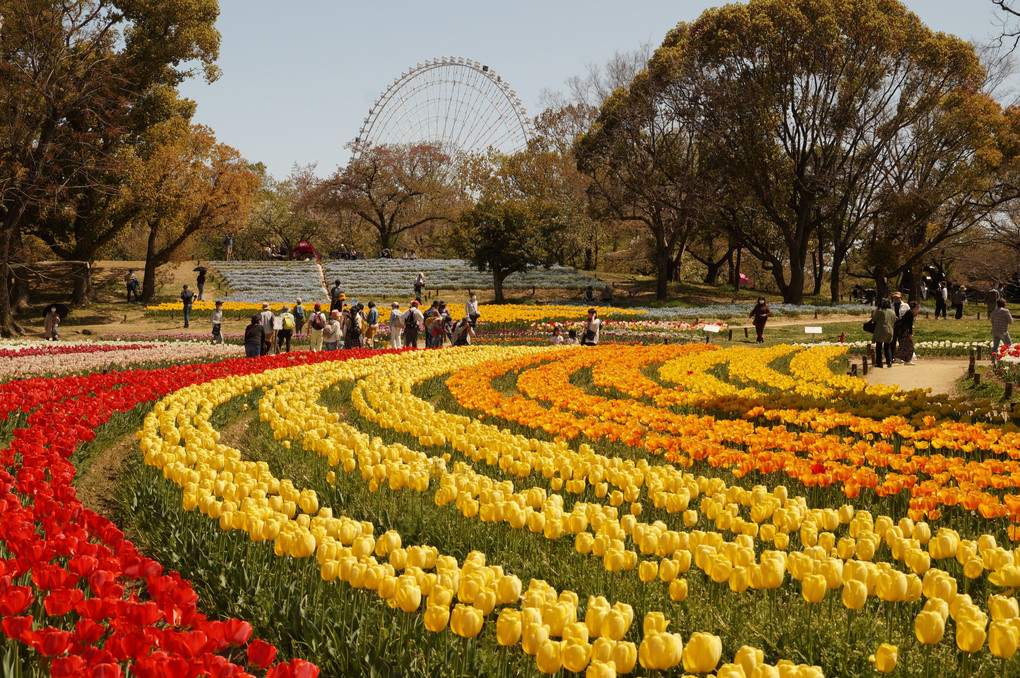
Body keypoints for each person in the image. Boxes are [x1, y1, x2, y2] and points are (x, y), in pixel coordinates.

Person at [869, 299, 896, 368]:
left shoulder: (880, 311)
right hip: (890, 331)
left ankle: (879, 363)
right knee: (887, 347)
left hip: (881, 331)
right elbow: (894, 320)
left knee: (879, 347)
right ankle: (889, 362)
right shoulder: (892, 312)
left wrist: (873, 314)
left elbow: (874, 319)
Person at [991, 298, 1013, 364]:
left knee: (995, 347)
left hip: (995, 331)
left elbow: (992, 321)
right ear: (1004, 304)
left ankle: (993, 361)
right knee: (1009, 346)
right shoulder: (1006, 311)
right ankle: (1010, 360)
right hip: (1003, 331)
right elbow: (1010, 321)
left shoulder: (994, 311)